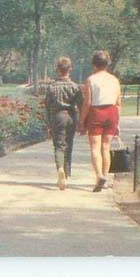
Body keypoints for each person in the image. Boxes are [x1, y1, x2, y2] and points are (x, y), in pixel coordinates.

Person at [79, 50, 122, 192]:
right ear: (107, 64)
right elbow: (118, 102)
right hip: (111, 112)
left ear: (94, 64)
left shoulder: (91, 79)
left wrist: (82, 120)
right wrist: (117, 122)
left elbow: (87, 102)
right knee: (106, 147)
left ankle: (99, 176)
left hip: (96, 113)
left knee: (95, 148)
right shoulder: (114, 80)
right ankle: (105, 176)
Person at [43, 57, 84, 190]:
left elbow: (47, 106)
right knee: (69, 145)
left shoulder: (51, 87)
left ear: (57, 70)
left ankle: (60, 169)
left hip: (57, 117)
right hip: (71, 116)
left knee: (59, 146)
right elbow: (81, 105)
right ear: (70, 70)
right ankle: (66, 174)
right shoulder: (75, 86)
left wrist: (48, 124)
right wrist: (82, 122)